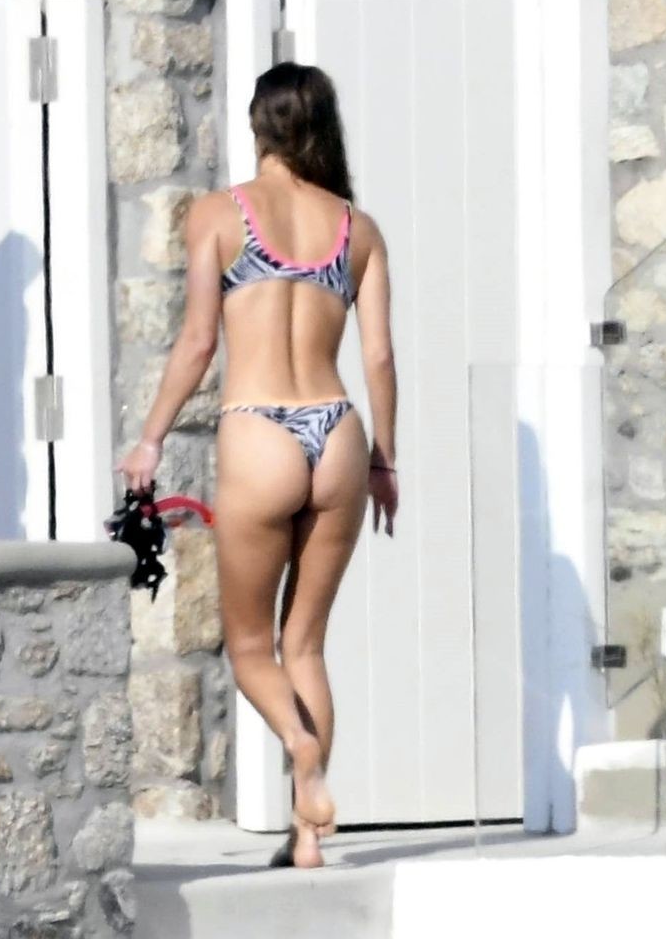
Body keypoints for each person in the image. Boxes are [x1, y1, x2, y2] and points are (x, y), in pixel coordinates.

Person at [118, 62, 399, 870]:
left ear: (256, 125)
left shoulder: (218, 214)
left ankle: (300, 753)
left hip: (258, 430)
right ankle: (308, 839)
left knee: (250, 650)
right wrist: (384, 460)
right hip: (335, 429)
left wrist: (150, 440)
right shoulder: (357, 229)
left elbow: (198, 342)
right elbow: (378, 356)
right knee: (304, 646)